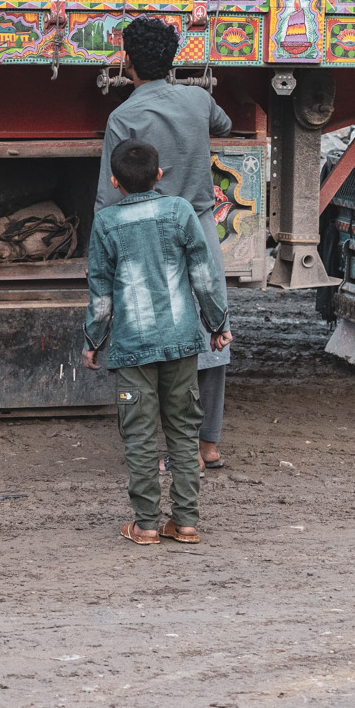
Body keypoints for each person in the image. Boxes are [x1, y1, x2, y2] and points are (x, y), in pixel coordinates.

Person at [94, 14, 235, 469]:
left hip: (143, 234)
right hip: (197, 224)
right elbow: (226, 124)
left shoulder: (123, 116)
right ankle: (206, 445)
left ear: (127, 62)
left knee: (149, 333)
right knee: (212, 333)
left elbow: (107, 193)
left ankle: (155, 448)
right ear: (175, 58)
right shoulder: (198, 99)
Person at [84, 139, 232, 545]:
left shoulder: (106, 223)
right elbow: (204, 276)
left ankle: (146, 525)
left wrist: (93, 340)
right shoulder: (180, 211)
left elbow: (100, 291)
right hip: (182, 341)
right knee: (184, 432)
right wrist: (217, 324)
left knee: (140, 436)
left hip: (132, 346)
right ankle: (185, 523)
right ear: (160, 175)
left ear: (114, 181)